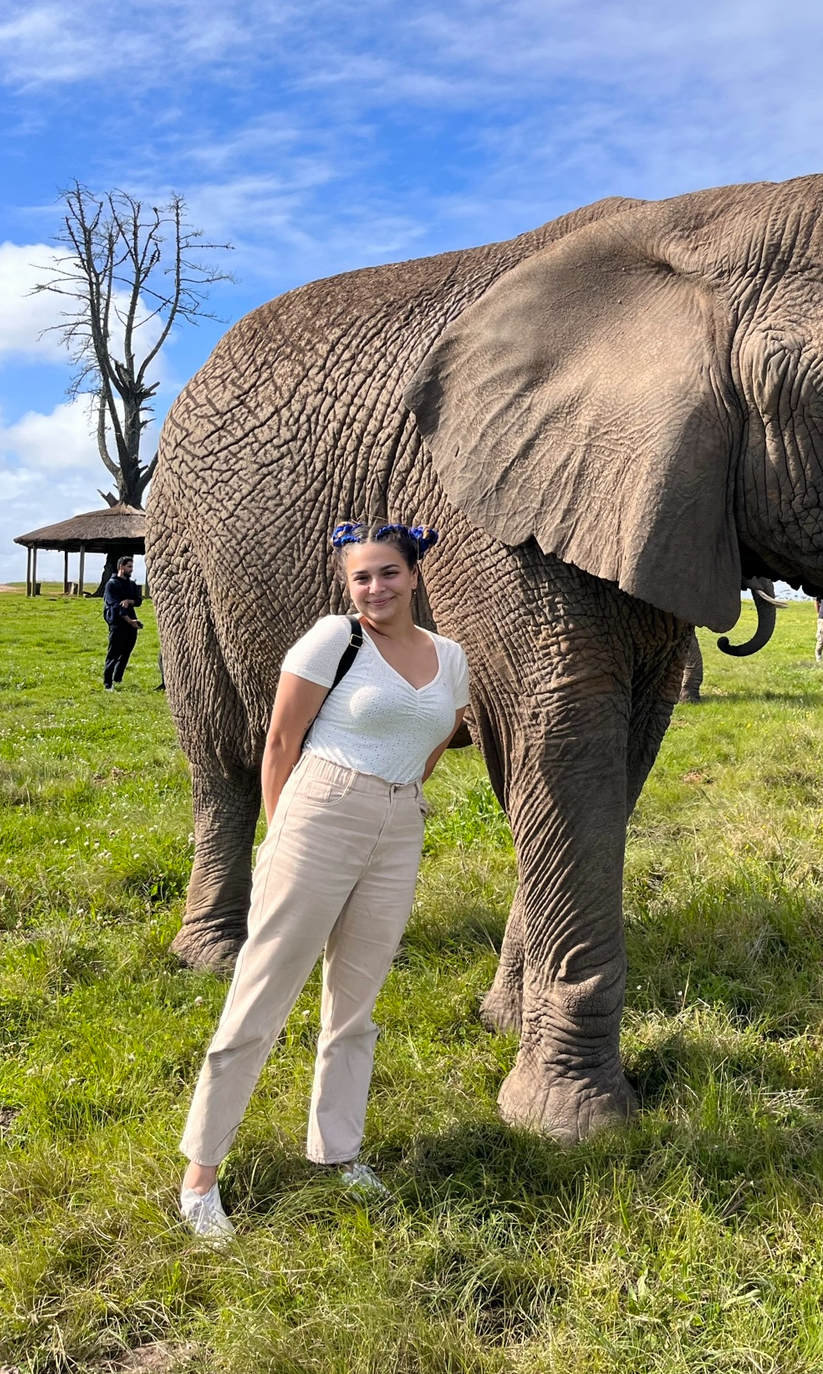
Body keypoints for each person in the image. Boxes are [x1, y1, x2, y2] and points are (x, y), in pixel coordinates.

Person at [177, 521, 469, 1241]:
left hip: (399, 823)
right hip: (319, 813)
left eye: (388, 573)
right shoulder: (333, 640)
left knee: (355, 1006)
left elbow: (436, 738)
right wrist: (283, 835)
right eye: (361, 577)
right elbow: (280, 741)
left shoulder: (450, 656)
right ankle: (200, 1175)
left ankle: (338, 1153)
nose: (375, 588)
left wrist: (398, 796)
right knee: (261, 995)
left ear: (414, 574)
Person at [102, 555, 144, 689]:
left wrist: (129, 602)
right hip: (118, 623)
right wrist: (128, 620)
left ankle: (118, 679)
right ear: (121, 567)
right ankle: (108, 684)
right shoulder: (111, 584)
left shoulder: (131, 584)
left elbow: (138, 601)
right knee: (113, 653)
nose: (131, 570)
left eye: (132, 567)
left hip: (132, 623)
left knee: (126, 653)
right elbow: (114, 604)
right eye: (129, 567)